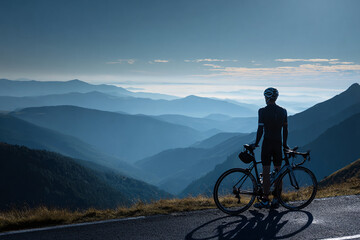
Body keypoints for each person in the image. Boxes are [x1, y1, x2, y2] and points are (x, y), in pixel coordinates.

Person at [250, 87, 288, 209]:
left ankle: (265, 200)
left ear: (267, 98)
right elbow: (285, 129)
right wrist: (285, 144)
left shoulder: (262, 111)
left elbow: (260, 129)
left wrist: (256, 143)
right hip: (278, 143)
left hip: (267, 144)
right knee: (278, 171)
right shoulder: (283, 111)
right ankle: (277, 199)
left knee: (266, 172)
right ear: (276, 98)